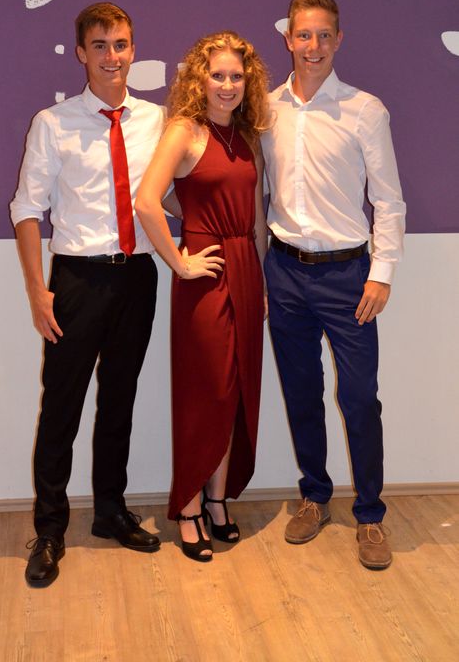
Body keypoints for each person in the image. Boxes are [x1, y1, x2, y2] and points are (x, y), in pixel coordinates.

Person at [10, 2, 165, 587]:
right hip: (76, 280)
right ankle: (50, 529)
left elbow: (168, 195)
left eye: (120, 44)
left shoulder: (157, 120)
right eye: (99, 45)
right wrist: (37, 291)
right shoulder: (53, 124)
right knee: (62, 407)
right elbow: (26, 209)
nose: (111, 56)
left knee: (119, 400)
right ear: (81, 53)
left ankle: (110, 511)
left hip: (138, 277)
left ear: (134, 49)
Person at [262, 0, 406, 570]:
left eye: (324, 35)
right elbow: (255, 192)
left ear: (338, 40)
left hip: (349, 276)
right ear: (288, 39)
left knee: (359, 398)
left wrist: (382, 273)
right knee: (301, 392)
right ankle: (314, 497)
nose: (314, 45)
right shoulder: (265, 109)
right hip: (284, 272)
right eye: (304, 34)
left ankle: (369, 515)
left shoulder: (365, 110)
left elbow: (389, 200)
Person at [135, 31, 271, 562]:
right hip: (205, 277)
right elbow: (147, 200)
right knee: (206, 391)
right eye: (218, 75)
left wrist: (261, 281)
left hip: (246, 269)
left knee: (236, 392)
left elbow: (256, 218)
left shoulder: (247, 136)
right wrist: (181, 259)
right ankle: (188, 506)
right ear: (200, 78)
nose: (228, 85)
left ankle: (217, 501)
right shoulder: (184, 130)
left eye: (237, 76)